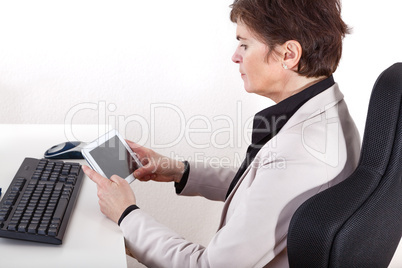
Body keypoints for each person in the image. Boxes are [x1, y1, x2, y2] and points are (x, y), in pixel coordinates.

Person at [83, 0, 361, 266]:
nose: (235, 56)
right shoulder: (325, 110)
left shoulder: (303, 153)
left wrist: (126, 214)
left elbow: (209, 265)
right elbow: (264, 188)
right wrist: (178, 171)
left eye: (244, 44)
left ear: (288, 54)